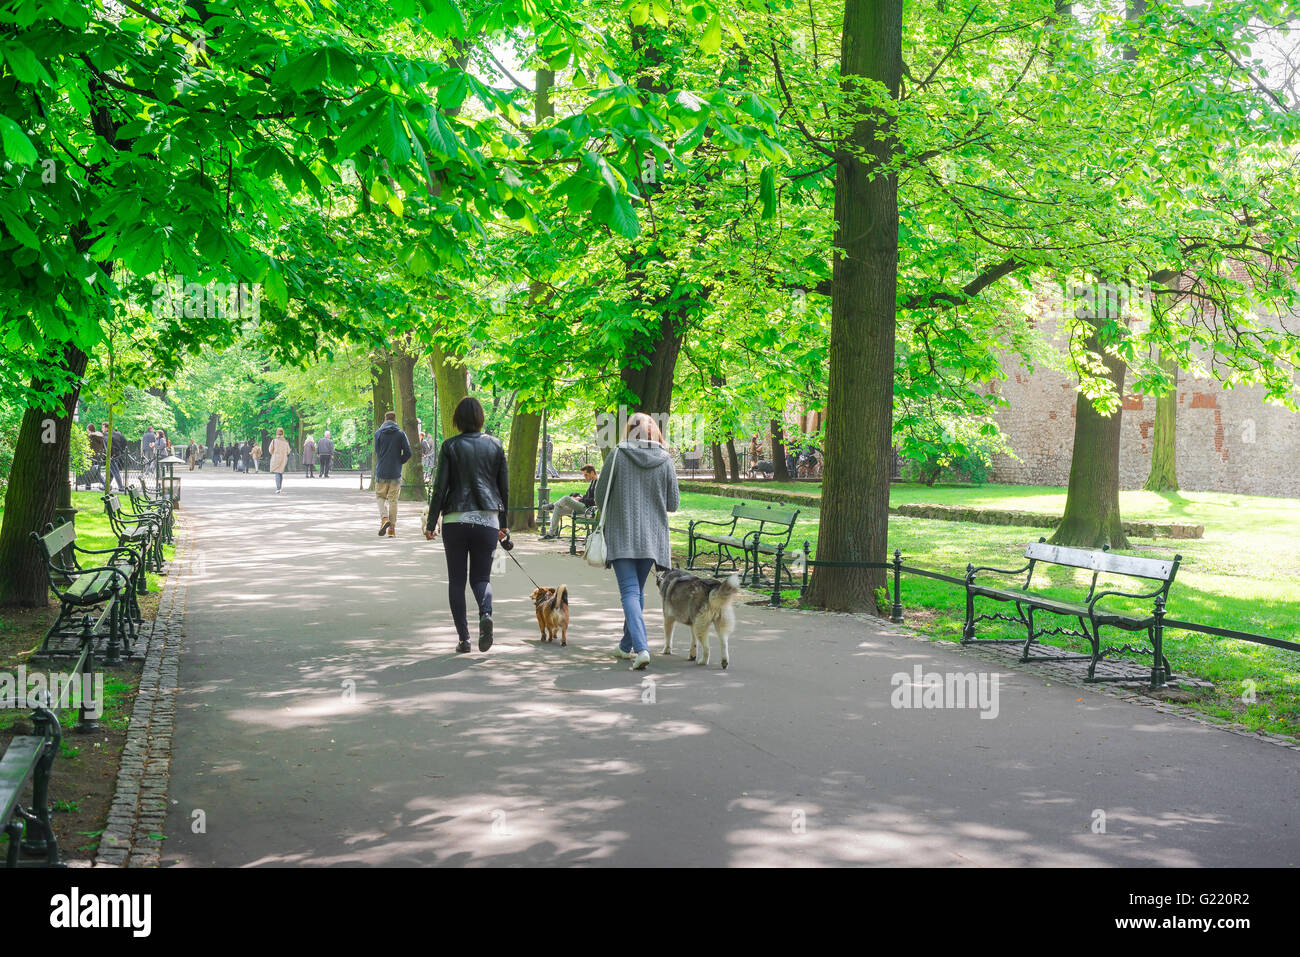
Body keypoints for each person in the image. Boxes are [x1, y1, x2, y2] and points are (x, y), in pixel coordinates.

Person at [593, 412, 680, 671]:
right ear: (655, 432)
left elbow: (600, 496)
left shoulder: (618, 454)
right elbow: (673, 503)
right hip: (652, 539)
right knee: (636, 592)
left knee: (631, 593)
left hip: (622, 534)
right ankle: (625, 646)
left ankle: (642, 649)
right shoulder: (665, 459)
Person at [424, 397, 508, 654]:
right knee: (482, 577)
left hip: (456, 519)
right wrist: (503, 525)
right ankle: (485, 613)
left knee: (457, 581)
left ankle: (464, 639)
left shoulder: (450, 446)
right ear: (481, 418)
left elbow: (441, 487)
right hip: (487, 520)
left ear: (457, 420)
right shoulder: (495, 445)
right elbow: (503, 488)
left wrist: (431, 521)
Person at [373, 411, 411, 537]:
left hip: (381, 471)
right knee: (393, 500)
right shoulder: (400, 434)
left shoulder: (378, 433)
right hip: (395, 471)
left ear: (385, 419)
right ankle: (391, 530)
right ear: (395, 420)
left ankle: (384, 518)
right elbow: (408, 452)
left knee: (380, 497)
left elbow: (377, 452)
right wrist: (399, 461)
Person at [542, 464, 598, 539]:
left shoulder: (598, 483)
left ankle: (552, 505)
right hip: (581, 507)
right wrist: (579, 497)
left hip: (588, 510)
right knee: (558, 508)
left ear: (592, 473)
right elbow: (587, 497)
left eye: (586, 475)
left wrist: (580, 499)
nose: (585, 477)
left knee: (565, 498)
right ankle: (551, 534)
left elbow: (594, 501)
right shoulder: (592, 482)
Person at [268, 427, 291, 493]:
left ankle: (278, 488)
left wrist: (274, 453)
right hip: (283, 458)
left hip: (276, 458)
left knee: (277, 473)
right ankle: (279, 487)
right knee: (280, 472)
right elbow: (288, 451)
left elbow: (270, 450)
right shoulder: (285, 442)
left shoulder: (274, 441)